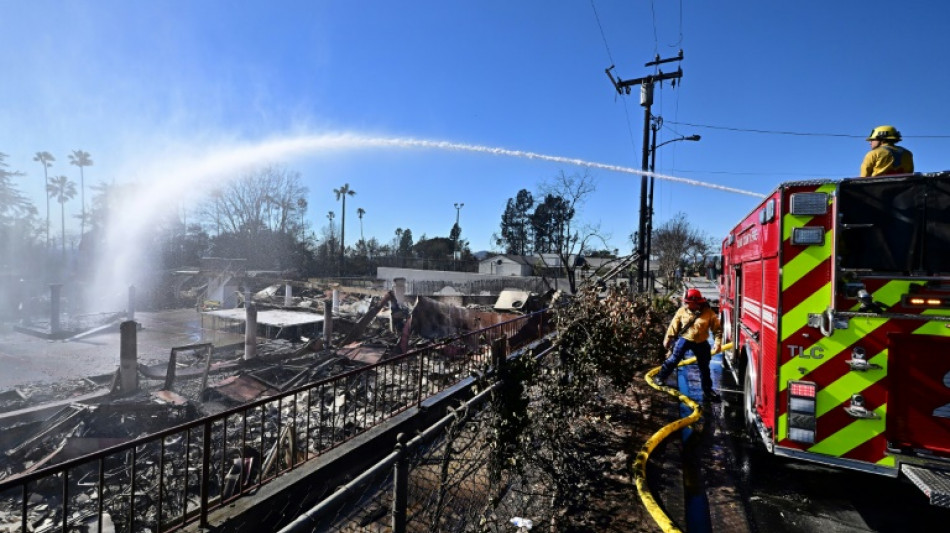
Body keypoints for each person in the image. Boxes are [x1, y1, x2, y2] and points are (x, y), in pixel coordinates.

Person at [653, 288, 723, 402]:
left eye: (688, 302)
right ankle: (660, 377)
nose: (685, 304)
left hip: (701, 343)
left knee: (704, 367)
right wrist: (668, 338)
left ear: (696, 302)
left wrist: (718, 343)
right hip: (685, 339)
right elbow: (673, 326)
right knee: (673, 360)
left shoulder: (708, 313)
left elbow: (717, 330)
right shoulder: (682, 311)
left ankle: (707, 391)